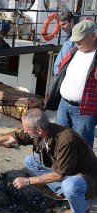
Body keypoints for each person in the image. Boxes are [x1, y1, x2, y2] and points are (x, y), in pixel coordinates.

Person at [0, 108, 97, 213]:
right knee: (30, 161)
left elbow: (58, 174)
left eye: (27, 130)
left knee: (70, 185)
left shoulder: (66, 140)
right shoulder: (43, 131)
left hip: (86, 177)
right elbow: (10, 138)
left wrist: (27, 181)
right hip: (67, 169)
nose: (25, 132)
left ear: (38, 130)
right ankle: (62, 192)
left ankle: (80, 211)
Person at [46, 20, 97, 149]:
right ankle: (62, 167)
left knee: (82, 146)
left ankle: (83, 169)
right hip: (63, 105)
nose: (77, 42)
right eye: (75, 39)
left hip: (84, 110)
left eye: (80, 39)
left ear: (93, 35)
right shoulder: (74, 50)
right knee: (61, 141)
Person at [53, 10, 76, 77]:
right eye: (60, 25)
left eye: (64, 24)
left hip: (62, 75)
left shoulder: (76, 38)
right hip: (59, 74)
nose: (61, 27)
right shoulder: (70, 36)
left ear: (71, 21)